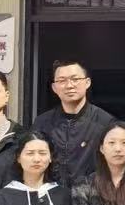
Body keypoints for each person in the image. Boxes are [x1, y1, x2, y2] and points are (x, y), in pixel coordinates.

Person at [32, 59, 117, 188]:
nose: (69, 85)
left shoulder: (105, 122)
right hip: (51, 195)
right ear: (54, 88)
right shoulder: (42, 123)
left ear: (87, 82)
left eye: (75, 79)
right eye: (62, 81)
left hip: (92, 195)